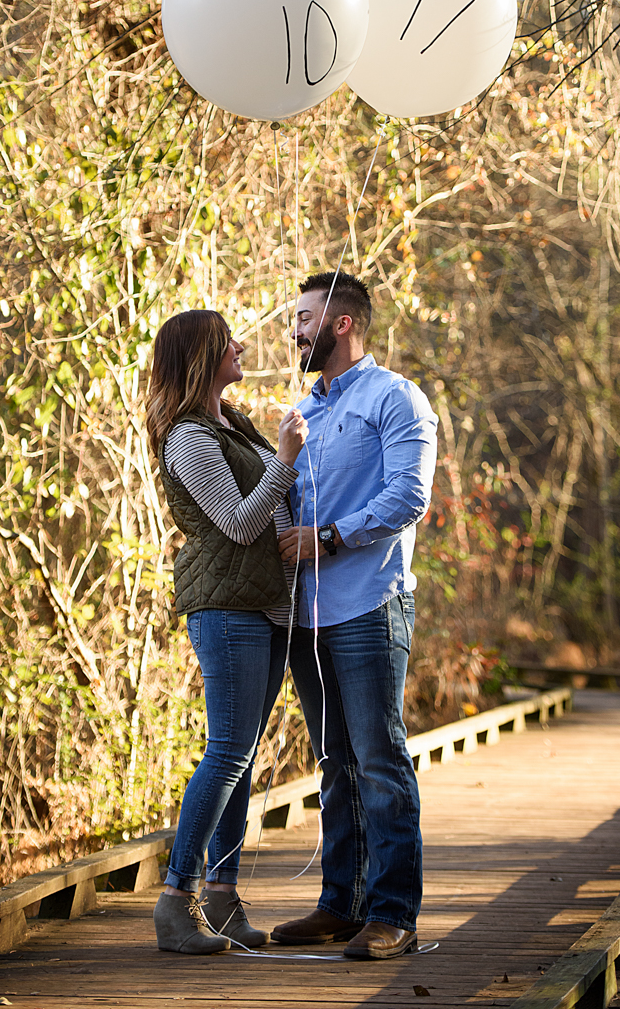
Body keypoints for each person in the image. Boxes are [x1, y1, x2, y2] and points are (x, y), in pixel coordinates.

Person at [272, 272, 438, 960]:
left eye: (306, 317)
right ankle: (340, 904)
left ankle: (392, 912)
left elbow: (409, 496)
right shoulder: (300, 411)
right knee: (334, 760)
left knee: (378, 756)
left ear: (343, 323)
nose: (296, 330)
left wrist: (330, 536)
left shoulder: (396, 398)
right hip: (307, 617)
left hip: (370, 604)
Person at [146, 309, 308, 955]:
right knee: (226, 753)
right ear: (201, 355)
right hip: (227, 607)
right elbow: (239, 523)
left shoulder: (228, 422)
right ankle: (175, 900)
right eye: (227, 340)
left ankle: (223, 896)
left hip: (265, 606)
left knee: (240, 759)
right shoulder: (187, 437)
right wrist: (287, 458)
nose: (240, 345)